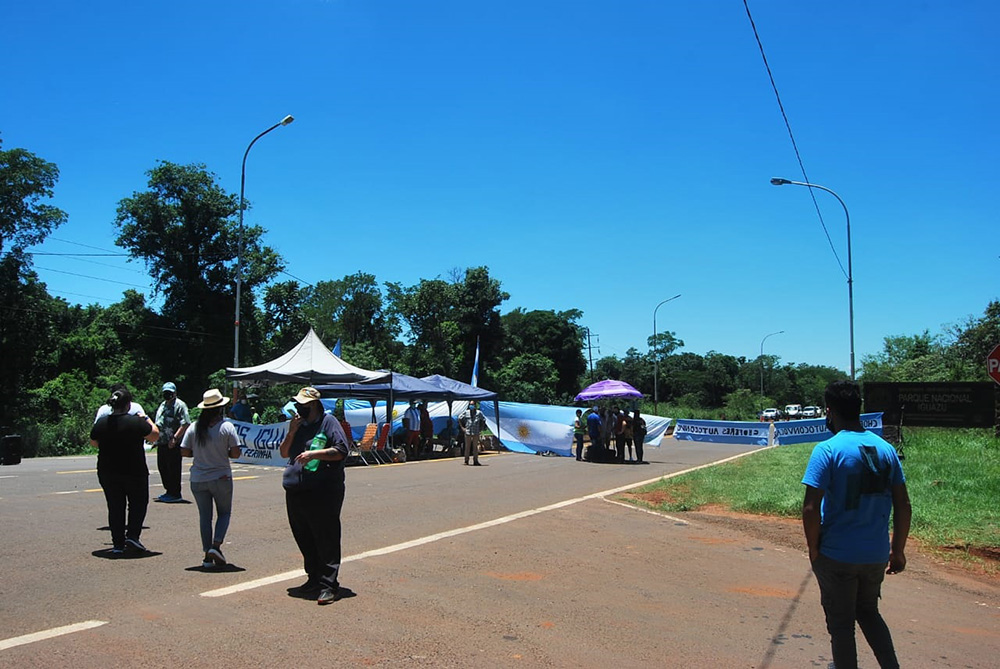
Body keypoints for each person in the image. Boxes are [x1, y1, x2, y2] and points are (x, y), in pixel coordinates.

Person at [802, 380, 911, 669]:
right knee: (869, 612)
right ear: (858, 408)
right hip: (875, 555)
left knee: (841, 625)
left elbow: (810, 508)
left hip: (837, 554)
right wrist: (897, 550)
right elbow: (903, 504)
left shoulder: (827, 450)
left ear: (829, 411)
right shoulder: (886, 449)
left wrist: (814, 549)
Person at [279, 387, 350, 605]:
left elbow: (341, 450)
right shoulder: (298, 426)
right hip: (297, 491)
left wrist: (314, 454)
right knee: (304, 536)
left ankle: (329, 585)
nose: (298, 408)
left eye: (303, 405)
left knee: (325, 537)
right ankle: (314, 578)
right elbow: (283, 452)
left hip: (323, 491)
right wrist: (291, 431)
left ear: (314, 405)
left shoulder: (329, 422)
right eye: (297, 404)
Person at [90, 387, 160, 555]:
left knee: (115, 506)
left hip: (107, 470)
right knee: (138, 503)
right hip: (134, 470)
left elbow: (94, 442)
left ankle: (117, 544)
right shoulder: (136, 422)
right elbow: (154, 435)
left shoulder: (102, 422)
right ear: (128, 405)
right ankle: (133, 536)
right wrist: (147, 419)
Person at [181, 389, 241, 569]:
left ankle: (207, 554)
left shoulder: (194, 427)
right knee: (224, 513)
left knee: (205, 517)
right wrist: (223, 452)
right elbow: (236, 453)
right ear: (220, 408)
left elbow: (184, 451)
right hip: (221, 477)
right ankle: (216, 546)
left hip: (198, 478)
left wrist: (199, 453)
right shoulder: (227, 427)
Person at [154, 382, 191, 503]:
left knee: (173, 469)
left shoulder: (180, 405)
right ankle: (169, 491)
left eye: (170, 392)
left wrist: (175, 438)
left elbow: (185, 423)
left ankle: (175, 493)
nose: (167, 394)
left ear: (175, 393)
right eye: (165, 392)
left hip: (173, 443)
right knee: (162, 467)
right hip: (162, 441)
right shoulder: (163, 405)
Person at [459, 401, 486, 466]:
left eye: (472, 405)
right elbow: (459, 418)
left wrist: (481, 428)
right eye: (470, 405)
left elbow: (483, 420)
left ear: (475, 405)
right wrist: (462, 427)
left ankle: (475, 460)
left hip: (476, 432)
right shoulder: (466, 412)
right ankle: (466, 460)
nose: (471, 406)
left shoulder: (479, 413)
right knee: (467, 447)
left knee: (475, 447)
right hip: (468, 432)